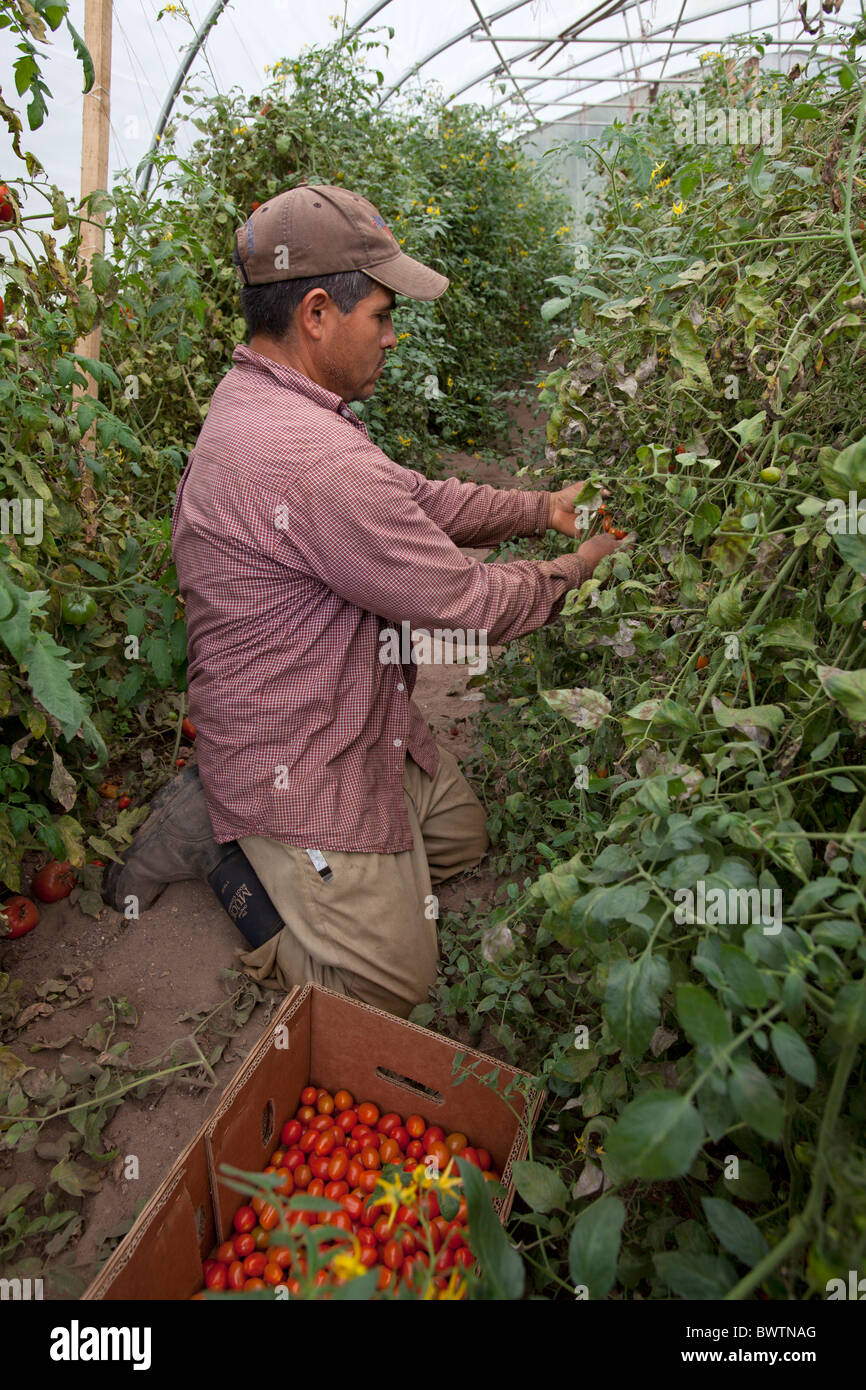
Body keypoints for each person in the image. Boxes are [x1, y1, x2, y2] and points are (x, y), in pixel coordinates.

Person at [107, 183, 631, 1018]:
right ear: (317, 312)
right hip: (297, 752)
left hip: (349, 716)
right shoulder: (314, 459)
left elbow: (410, 499)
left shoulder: (272, 399)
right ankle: (228, 847)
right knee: (390, 988)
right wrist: (580, 565)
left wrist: (538, 510)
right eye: (382, 314)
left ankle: (320, 862)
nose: (391, 335)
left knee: (462, 837)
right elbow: (466, 603)